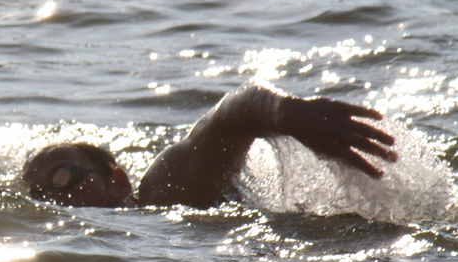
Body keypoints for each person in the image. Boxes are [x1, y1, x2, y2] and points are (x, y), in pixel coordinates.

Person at [22, 84, 397, 210]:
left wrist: (285, 112)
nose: (51, 199)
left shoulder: (165, 191)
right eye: (37, 194)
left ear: (118, 182)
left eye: (62, 177)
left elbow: (230, 114)